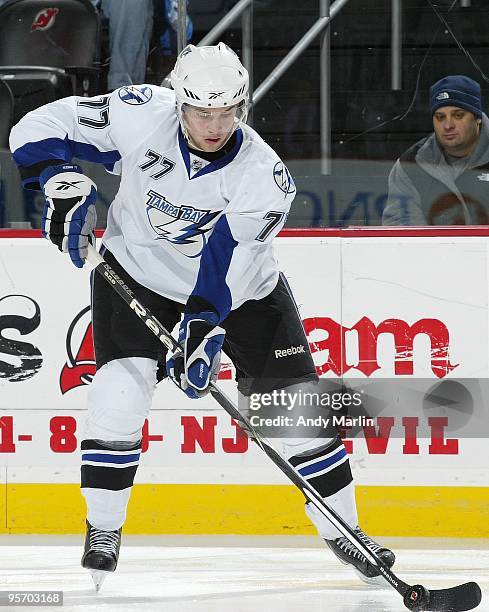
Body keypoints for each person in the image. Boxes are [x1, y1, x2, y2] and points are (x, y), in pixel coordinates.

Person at [9, 43, 394, 589]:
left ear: (242, 106)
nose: (215, 125)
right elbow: (34, 127)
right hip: (139, 270)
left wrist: (203, 326)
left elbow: (226, 264)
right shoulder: (140, 112)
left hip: (242, 293)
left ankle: (347, 531)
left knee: (296, 414)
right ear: (179, 103)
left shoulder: (264, 178)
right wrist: (60, 182)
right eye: (201, 112)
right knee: (117, 396)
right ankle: (103, 528)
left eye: (227, 111)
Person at [382, 75, 489, 225]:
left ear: (477, 117)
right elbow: (401, 229)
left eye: (458, 115)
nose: (448, 125)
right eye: (440, 117)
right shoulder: (411, 164)